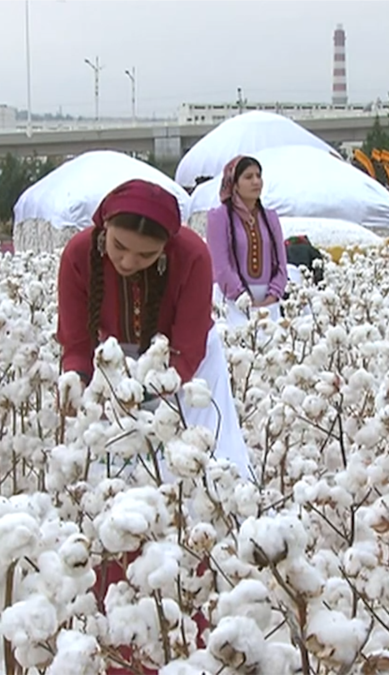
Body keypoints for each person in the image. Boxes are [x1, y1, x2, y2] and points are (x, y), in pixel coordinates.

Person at [55, 178, 252, 480]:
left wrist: (147, 393)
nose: (128, 261)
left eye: (146, 255)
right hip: (111, 367)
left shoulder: (192, 256)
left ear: (165, 247)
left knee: (200, 460)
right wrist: (78, 381)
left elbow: (188, 346)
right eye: (118, 246)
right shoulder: (78, 255)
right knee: (112, 467)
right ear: (104, 227)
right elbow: (77, 340)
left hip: (190, 367)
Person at [205, 155, 289, 328]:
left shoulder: (270, 217)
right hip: (231, 303)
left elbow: (281, 265)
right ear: (234, 184)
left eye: (259, 176)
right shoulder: (219, 217)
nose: (256, 181)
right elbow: (221, 267)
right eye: (248, 177)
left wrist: (270, 299)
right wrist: (244, 299)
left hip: (269, 304)